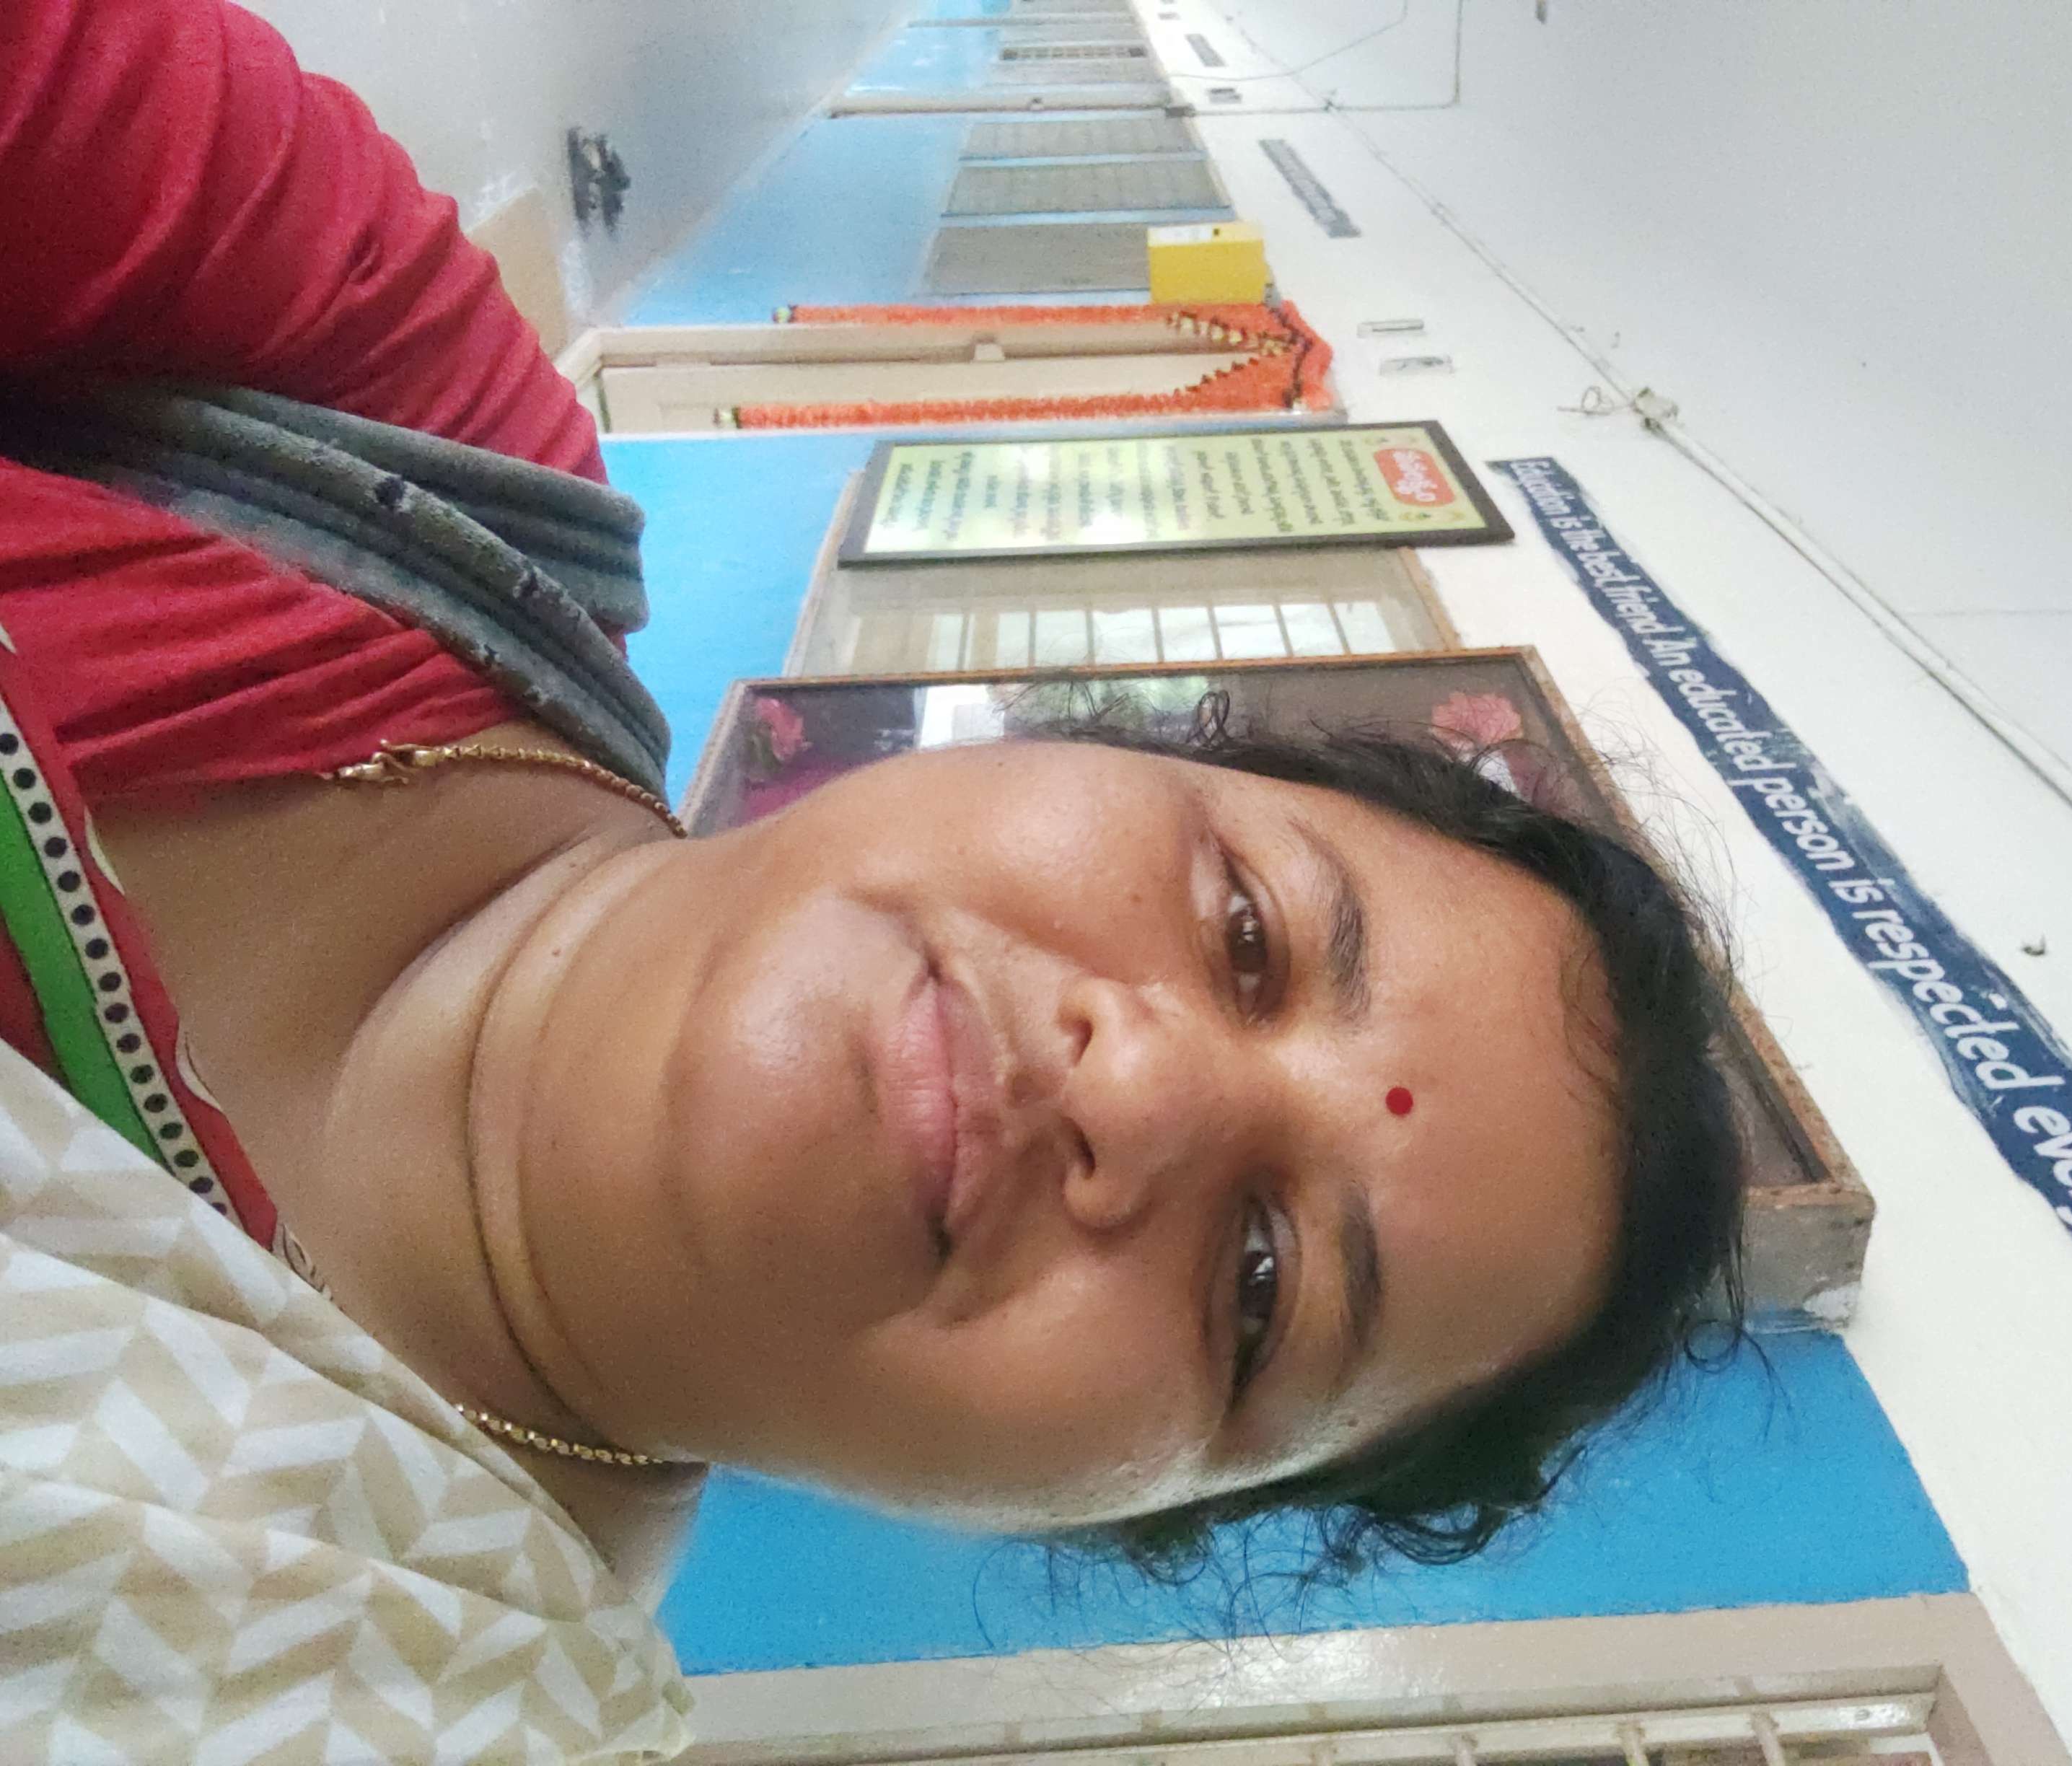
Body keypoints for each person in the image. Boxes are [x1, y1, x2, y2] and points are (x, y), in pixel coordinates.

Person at [0, 0, 1745, 1757]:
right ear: (1091, 733)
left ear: (1112, 1519)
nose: (1140, 1090)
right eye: (1246, 932)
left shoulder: (412, 1692)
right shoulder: (382, 411)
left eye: (1261, 1289)